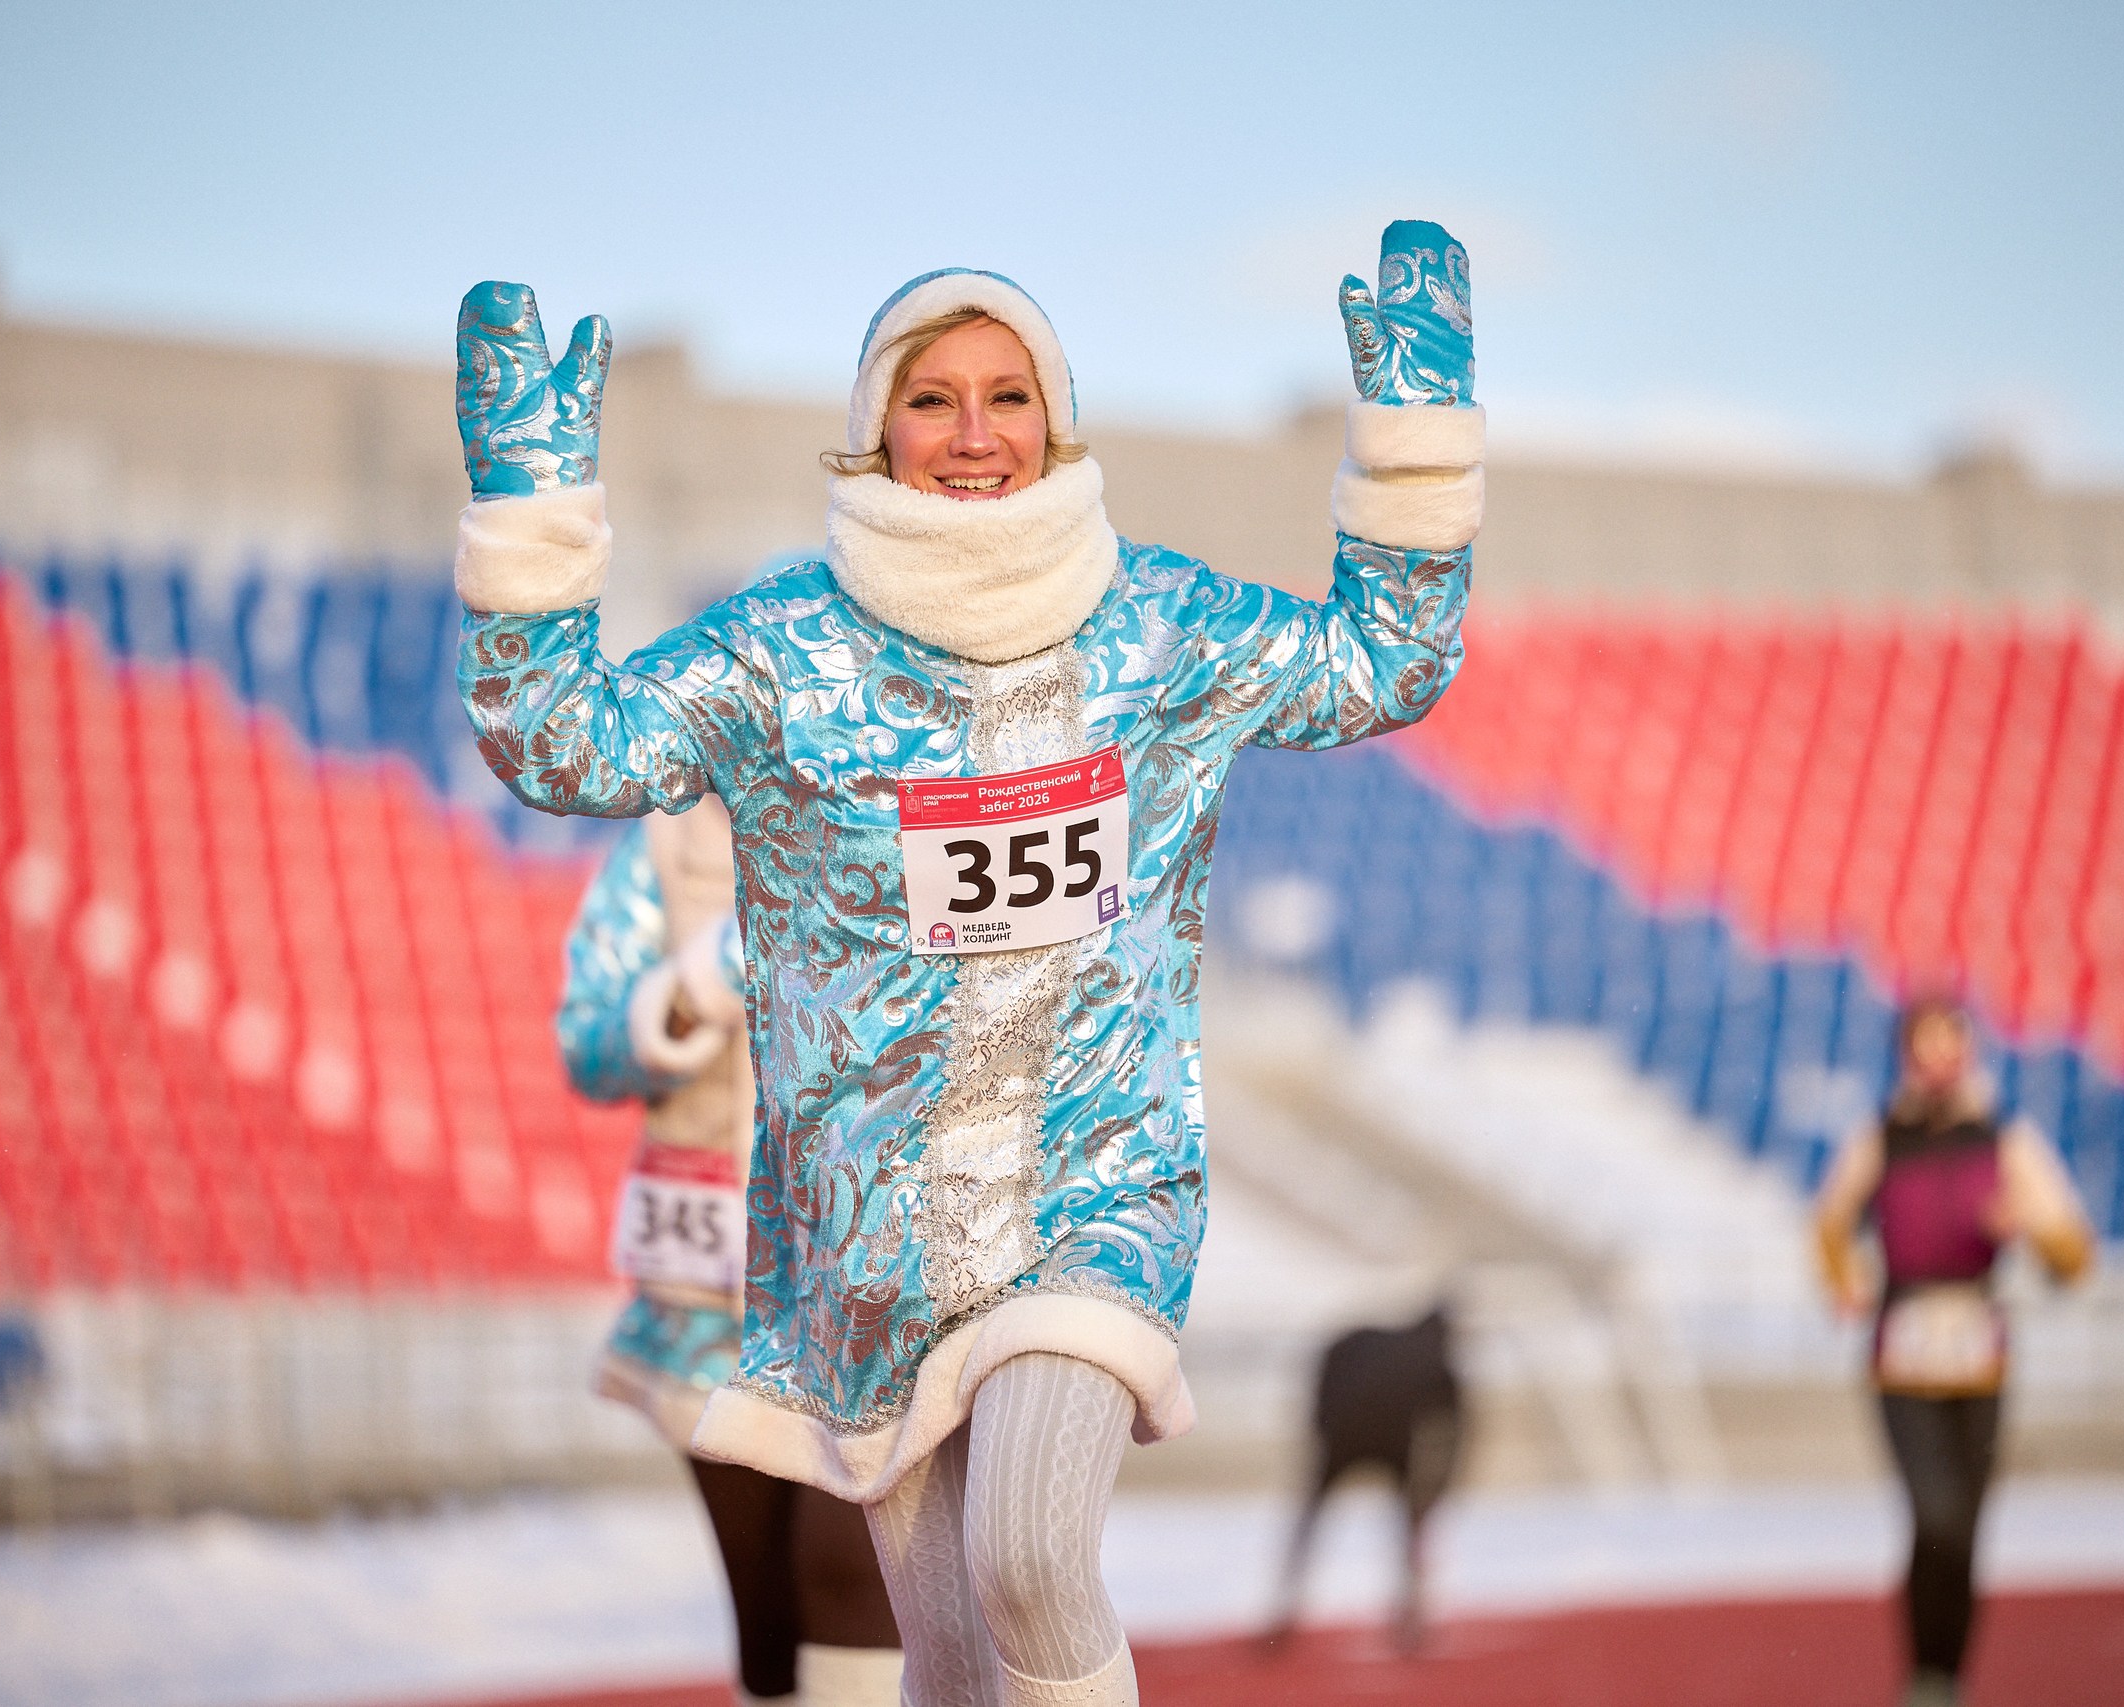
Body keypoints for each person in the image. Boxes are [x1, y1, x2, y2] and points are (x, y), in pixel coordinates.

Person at [450, 219, 1484, 1707]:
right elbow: (565, 745)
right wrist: (531, 521)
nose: (975, 433)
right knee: (945, 1661)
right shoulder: (782, 648)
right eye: (932, 398)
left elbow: (1384, 664)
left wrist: (1415, 458)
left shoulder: (1163, 624)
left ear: (1056, 420)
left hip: (1100, 1194)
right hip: (873, 1239)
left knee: (1032, 1559)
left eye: (1009, 396)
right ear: (877, 425)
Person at [560, 799, 903, 1707]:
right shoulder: (667, 842)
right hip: (713, 1311)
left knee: (851, 1579)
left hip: (871, 1286)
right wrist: (695, 986)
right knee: (769, 1627)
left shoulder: (903, 796)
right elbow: (585, 1047)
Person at [1814, 994, 2095, 1707]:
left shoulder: (2007, 1142)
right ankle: (1925, 1677)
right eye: (1925, 1045)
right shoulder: (1880, 1138)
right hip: (1903, 1353)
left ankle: (1948, 1675)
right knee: (1934, 1514)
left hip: (1978, 1355)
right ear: (1906, 1055)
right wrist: (1845, 1281)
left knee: (1965, 1527)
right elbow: (1831, 1223)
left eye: (1951, 1044)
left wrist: (2028, 1227)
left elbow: (2074, 1257)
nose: (1938, 1061)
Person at [1268, 1302, 1463, 1653]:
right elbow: (1453, 1434)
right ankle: (1411, 1623)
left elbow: (1325, 1372)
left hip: (1342, 1439)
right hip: (1393, 1447)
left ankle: (1282, 1613)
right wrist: (1432, 1496)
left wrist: (1323, 1431)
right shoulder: (1437, 1361)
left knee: (1309, 1523)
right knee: (1410, 1529)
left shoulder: (1361, 1338)